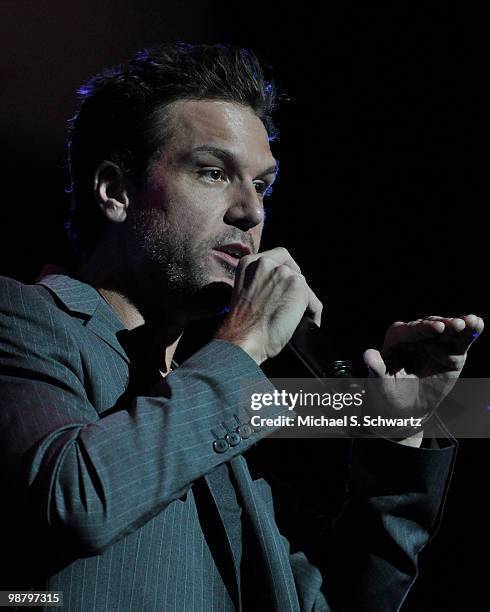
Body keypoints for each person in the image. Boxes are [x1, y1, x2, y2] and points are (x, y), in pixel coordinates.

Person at [0, 43, 483, 611]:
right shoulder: (22, 317)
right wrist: (244, 345)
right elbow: (70, 498)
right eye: (212, 172)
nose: (251, 213)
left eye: (263, 186)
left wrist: (399, 433)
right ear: (115, 191)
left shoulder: (220, 421)